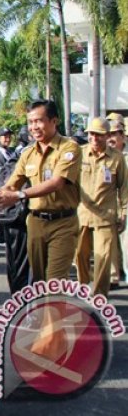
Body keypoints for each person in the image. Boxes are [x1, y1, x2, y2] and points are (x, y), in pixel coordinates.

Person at [0, 100, 81, 282]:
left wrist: (19, 195)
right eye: (30, 122)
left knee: (54, 282)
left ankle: (53, 310)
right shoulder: (28, 153)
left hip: (63, 223)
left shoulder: (69, 148)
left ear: (54, 121)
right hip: (35, 223)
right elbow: (13, 183)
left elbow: (56, 183)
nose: (34, 127)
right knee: (39, 283)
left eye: (39, 121)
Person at [75, 118, 128, 297]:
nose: (94, 138)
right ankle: (84, 285)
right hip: (81, 215)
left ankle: (99, 297)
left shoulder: (117, 158)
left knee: (103, 259)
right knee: (79, 255)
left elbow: (124, 188)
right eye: (91, 134)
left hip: (106, 217)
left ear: (107, 136)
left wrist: (124, 214)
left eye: (99, 135)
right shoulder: (79, 154)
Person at [108, 117, 128, 282]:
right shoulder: (105, 156)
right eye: (108, 134)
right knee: (110, 246)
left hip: (125, 204)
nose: (111, 138)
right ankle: (113, 277)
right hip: (108, 206)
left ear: (123, 135)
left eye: (114, 134)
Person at [0, 128, 16, 246]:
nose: (7, 139)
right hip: (3, 187)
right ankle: (2, 238)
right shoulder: (1, 154)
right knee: (4, 213)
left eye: (9, 136)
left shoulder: (8, 151)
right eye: (4, 136)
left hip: (7, 186)